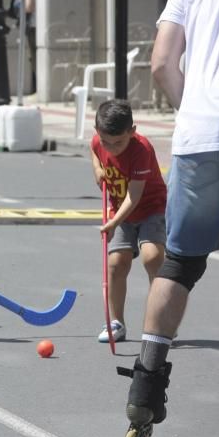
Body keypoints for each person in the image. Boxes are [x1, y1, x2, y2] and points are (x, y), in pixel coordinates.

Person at [120, 0, 219, 435]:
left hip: (201, 135)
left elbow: (162, 63)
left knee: (180, 265)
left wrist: (196, 113)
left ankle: (145, 391)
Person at [90, 99, 166, 343]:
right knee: (116, 264)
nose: (111, 149)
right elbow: (93, 150)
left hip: (150, 207)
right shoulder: (97, 142)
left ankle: (162, 321)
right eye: (106, 142)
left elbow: (134, 196)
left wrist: (113, 223)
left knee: (152, 258)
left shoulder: (142, 150)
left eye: (119, 142)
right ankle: (117, 322)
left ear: (132, 132)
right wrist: (97, 170)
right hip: (120, 209)